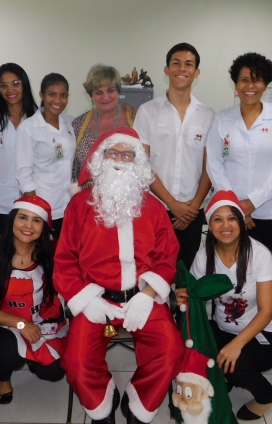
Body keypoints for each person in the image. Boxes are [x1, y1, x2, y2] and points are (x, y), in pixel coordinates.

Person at [54, 128, 185, 424]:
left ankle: (138, 403)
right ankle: (102, 401)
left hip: (142, 298)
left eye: (128, 154)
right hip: (95, 299)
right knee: (75, 362)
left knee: (171, 352)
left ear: (138, 162)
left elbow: (167, 257)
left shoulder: (154, 207)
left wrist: (148, 296)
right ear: (100, 158)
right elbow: (64, 260)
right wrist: (87, 300)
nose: (120, 160)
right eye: (113, 153)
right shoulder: (79, 205)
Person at [175, 190, 272, 422]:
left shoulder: (260, 255)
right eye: (218, 219)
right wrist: (184, 295)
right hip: (223, 328)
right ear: (210, 224)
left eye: (232, 218)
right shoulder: (205, 256)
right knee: (193, 348)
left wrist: (236, 345)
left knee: (235, 364)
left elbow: (266, 311)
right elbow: (196, 294)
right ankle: (225, 375)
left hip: (263, 334)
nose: (226, 225)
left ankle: (266, 395)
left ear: (242, 222)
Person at [0, 196, 66, 405]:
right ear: (12, 220)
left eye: (36, 220)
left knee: (55, 372)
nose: (28, 226)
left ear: (44, 227)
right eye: (23, 218)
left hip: (44, 319)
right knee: (9, 354)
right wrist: (21, 324)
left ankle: (33, 355)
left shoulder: (51, 249)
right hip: (2, 320)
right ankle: (3, 376)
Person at [134, 42, 215, 268]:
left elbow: (211, 166)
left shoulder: (208, 115)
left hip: (192, 212)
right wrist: (171, 203)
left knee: (186, 279)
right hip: (155, 209)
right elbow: (142, 164)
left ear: (196, 72)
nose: (182, 69)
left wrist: (192, 207)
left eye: (188, 64)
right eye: (176, 63)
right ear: (166, 69)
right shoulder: (147, 111)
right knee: (151, 273)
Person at [206, 52, 272, 254]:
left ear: (265, 84)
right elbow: (214, 164)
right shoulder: (222, 119)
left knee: (263, 271)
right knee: (228, 269)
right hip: (228, 213)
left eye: (257, 80)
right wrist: (235, 206)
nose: (250, 86)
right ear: (236, 84)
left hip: (268, 211)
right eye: (244, 80)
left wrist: (252, 202)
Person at [16, 73, 75, 237]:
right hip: (43, 207)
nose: (58, 101)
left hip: (67, 205)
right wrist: (36, 212)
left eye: (63, 95)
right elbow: (23, 175)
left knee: (62, 256)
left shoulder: (70, 122)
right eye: (52, 94)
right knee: (44, 256)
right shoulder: (29, 128)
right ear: (42, 95)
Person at [0, 63, 38, 238]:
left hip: (32, 198)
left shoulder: (38, 119)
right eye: (4, 85)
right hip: (1, 199)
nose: (10, 89)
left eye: (15, 83)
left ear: (24, 84)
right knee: (2, 249)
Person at [72, 64, 134, 184]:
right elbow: (73, 169)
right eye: (99, 92)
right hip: (85, 199)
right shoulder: (78, 124)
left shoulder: (134, 120)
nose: (105, 97)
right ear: (91, 96)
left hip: (125, 198)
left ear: (118, 92)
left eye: (110, 90)